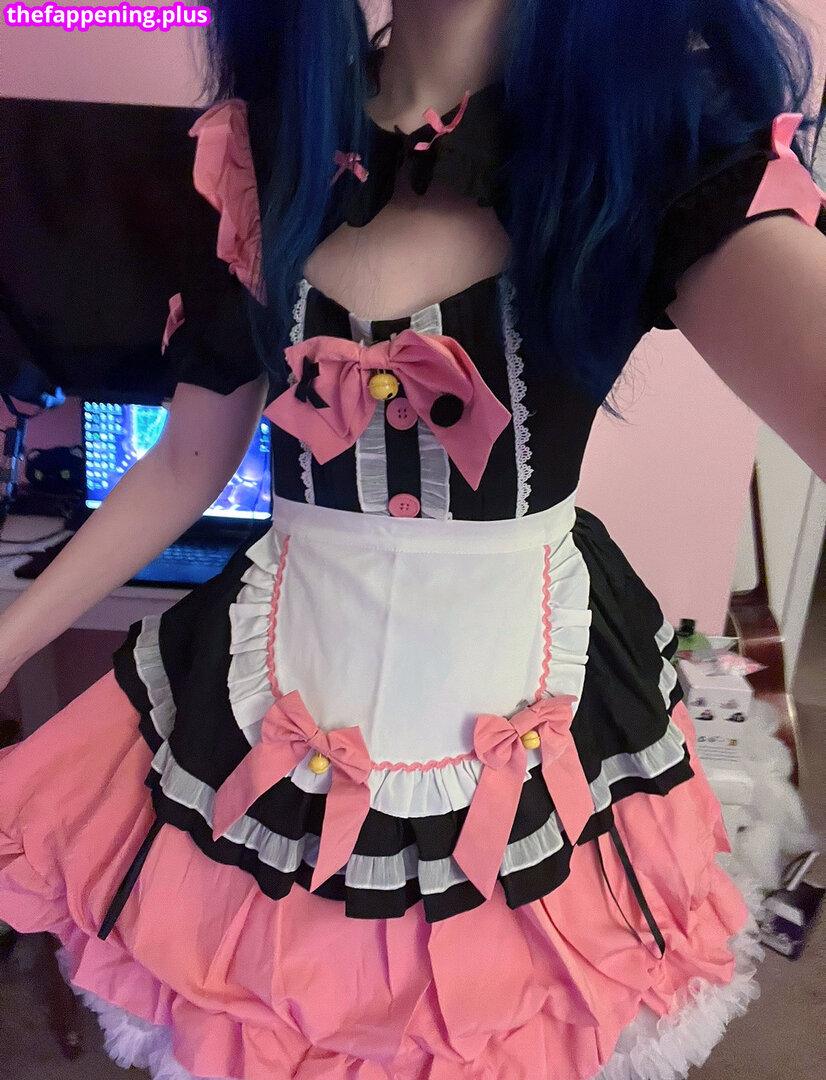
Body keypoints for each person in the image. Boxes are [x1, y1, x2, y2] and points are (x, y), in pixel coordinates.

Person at [1, 2, 825, 1078]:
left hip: (527, 721)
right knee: (254, 1028)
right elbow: (185, 462)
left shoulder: (646, 134)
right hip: (268, 712)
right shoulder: (266, 147)